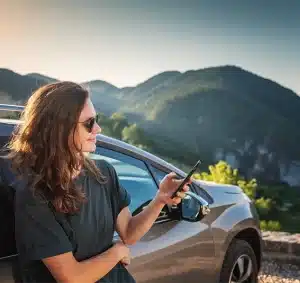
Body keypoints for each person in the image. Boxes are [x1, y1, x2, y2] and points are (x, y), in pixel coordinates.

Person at [3, 81, 191, 283]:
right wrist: (117, 252)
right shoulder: (34, 195)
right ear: (59, 128)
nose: (98, 129)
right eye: (89, 123)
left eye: (96, 120)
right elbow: (72, 278)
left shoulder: (103, 172)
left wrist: (160, 200)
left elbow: (128, 232)